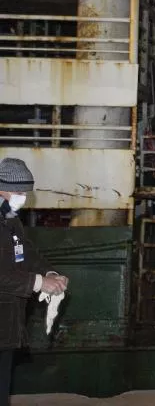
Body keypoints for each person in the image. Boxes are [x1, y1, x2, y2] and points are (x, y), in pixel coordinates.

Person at [0, 158, 68, 405]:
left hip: (7, 325)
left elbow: (25, 253)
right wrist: (38, 283)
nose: (23, 198)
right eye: (18, 192)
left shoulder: (10, 219)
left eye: (25, 192)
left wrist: (49, 273)